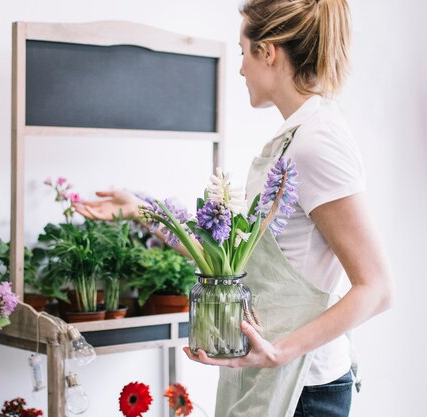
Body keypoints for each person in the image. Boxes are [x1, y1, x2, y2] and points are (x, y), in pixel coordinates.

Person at [73, 0, 394, 416]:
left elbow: (377, 288)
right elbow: (227, 263)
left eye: (243, 51)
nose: (241, 68)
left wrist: (278, 352)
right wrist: (142, 210)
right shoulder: (292, 139)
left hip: (303, 387)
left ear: (268, 52)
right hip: (265, 374)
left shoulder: (320, 141)